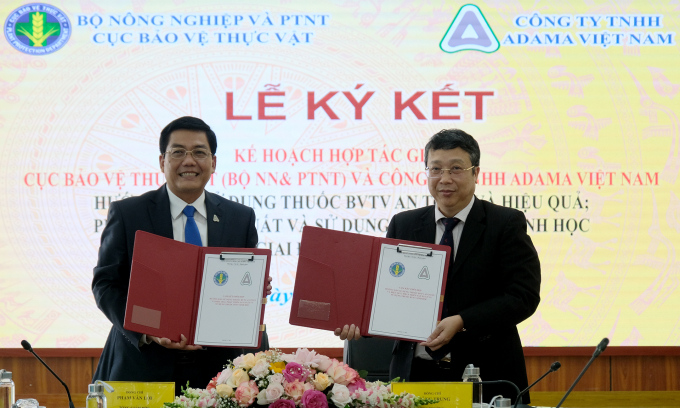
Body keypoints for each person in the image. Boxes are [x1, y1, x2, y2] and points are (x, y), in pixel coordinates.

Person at [336, 129, 540, 404]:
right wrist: (358, 321)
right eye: (436, 169)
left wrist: (463, 321)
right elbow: (387, 294)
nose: (445, 179)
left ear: (476, 172)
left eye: (456, 169)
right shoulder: (404, 224)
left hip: (484, 376)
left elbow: (523, 296)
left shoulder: (504, 223)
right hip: (414, 375)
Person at [92, 116, 271, 393]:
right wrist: (146, 331)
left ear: (213, 162)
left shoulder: (240, 217)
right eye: (178, 152)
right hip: (144, 367)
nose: (189, 161)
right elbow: (105, 285)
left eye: (199, 152)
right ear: (162, 161)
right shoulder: (129, 214)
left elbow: (243, 284)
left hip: (221, 374)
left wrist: (255, 286)